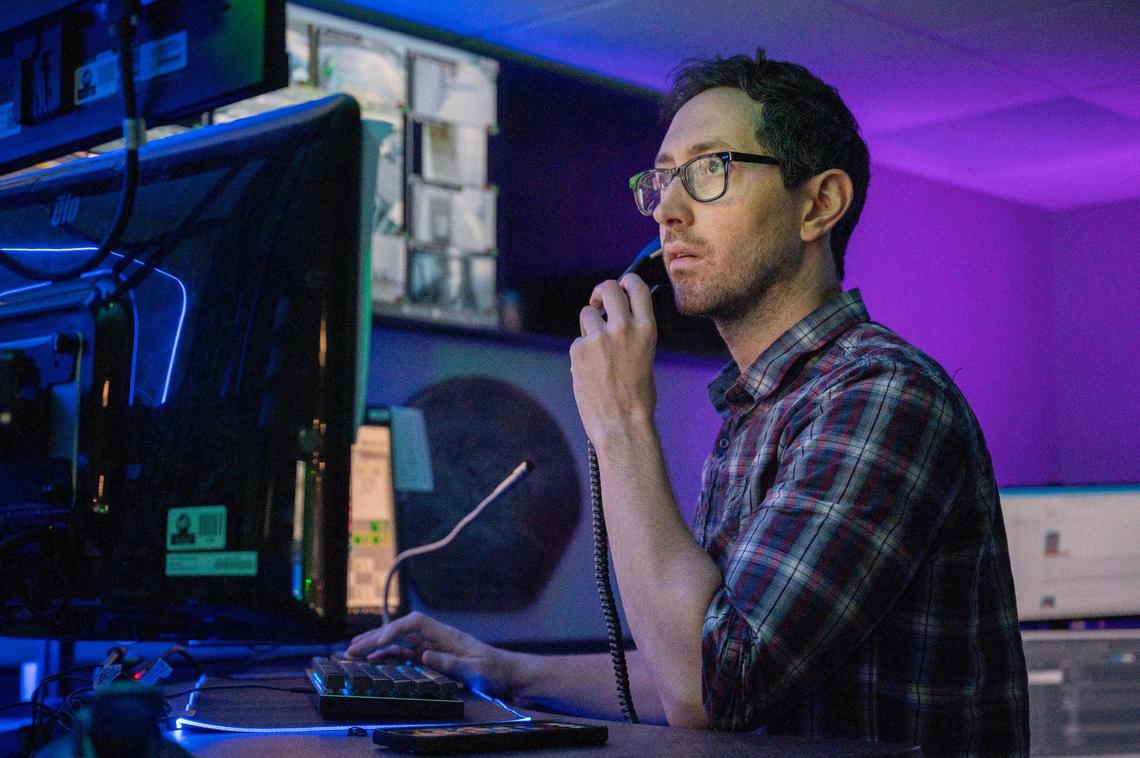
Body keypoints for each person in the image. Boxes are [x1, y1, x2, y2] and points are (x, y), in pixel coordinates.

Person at [348, 49, 1030, 754]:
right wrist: (505, 672)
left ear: (818, 204)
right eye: (663, 179)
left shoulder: (881, 396)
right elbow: (695, 660)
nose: (668, 211)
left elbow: (711, 692)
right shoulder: (759, 408)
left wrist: (620, 422)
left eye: (709, 170)